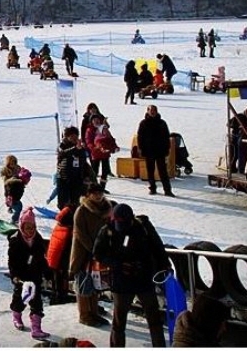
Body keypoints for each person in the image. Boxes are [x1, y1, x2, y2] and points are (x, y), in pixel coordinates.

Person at [92, 203, 171, 348]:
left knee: (154, 319)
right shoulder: (107, 230)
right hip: (121, 280)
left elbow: (158, 247)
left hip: (144, 277)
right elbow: (98, 254)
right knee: (119, 321)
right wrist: (117, 264)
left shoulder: (143, 226)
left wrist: (165, 265)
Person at [69, 182, 113, 327]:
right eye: (95, 193)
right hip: (83, 252)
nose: (98, 196)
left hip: (99, 252)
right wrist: (93, 249)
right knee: (83, 283)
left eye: (100, 193)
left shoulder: (107, 208)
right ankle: (84, 314)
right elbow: (80, 233)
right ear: (88, 194)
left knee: (95, 284)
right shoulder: (81, 210)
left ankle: (94, 313)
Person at [7, 207, 50, 339]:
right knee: (20, 298)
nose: (30, 230)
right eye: (28, 228)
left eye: (32, 227)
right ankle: (17, 316)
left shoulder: (38, 239)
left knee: (37, 301)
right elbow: (12, 261)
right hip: (21, 276)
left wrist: (47, 272)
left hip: (35, 275)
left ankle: (36, 328)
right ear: (22, 227)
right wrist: (14, 275)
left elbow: (42, 258)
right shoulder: (15, 241)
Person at [137, 105, 174, 196]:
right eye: (151, 110)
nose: (153, 112)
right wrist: (141, 149)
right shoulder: (143, 123)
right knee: (150, 171)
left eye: (154, 110)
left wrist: (167, 148)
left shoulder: (162, 123)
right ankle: (152, 188)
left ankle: (167, 190)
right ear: (148, 111)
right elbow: (140, 137)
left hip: (160, 150)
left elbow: (166, 136)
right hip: (149, 150)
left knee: (163, 171)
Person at [56, 126, 92, 209]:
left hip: (77, 178)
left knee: (76, 201)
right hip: (63, 178)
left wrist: (86, 176)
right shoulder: (62, 146)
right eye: (71, 136)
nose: (74, 138)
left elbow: (84, 163)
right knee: (63, 202)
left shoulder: (80, 148)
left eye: (75, 136)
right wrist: (75, 148)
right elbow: (63, 153)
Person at [86, 115, 119, 191]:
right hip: (95, 153)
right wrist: (94, 148)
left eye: (97, 119)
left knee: (105, 171)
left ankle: (102, 187)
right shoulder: (90, 130)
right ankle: (93, 188)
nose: (96, 121)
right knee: (94, 172)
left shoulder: (103, 128)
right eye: (94, 120)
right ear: (91, 121)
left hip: (105, 154)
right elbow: (88, 141)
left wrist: (114, 147)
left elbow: (110, 138)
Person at [227, 105, 247, 175]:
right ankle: (232, 168)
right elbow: (229, 124)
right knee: (234, 154)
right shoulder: (239, 116)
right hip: (236, 137)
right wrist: (238, 127)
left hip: (245, 138)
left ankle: (242, 169)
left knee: (243, 154)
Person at [0, 155, 30, 224]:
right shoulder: (5, 169)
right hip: (8, 184)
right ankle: (10, 206)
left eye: (14, 163)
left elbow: (21, 173)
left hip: (17, 184)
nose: (13, 165)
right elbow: (3, 176)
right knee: (9, 196)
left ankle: (11, 205)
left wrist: (22, 177)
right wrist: (8, 179)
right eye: (11, 163)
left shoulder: (17, 168)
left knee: (16, 196)